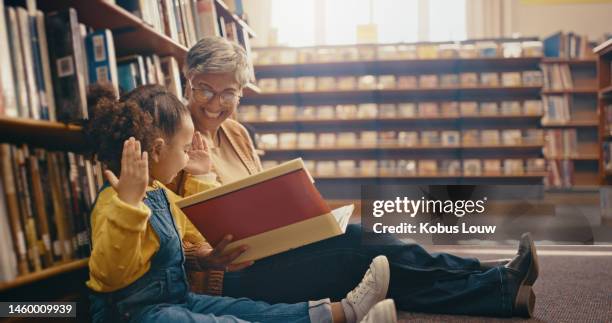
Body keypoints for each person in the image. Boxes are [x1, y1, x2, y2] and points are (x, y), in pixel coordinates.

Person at [172, 36, 541, 318]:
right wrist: (205, 255)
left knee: (365, 262)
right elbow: (165, 236)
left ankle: (499, 289)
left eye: (229, 93)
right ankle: (487, 277)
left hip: (272, 253)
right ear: (187, 82)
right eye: (205, 89)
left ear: (241, 93)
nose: (215, 102)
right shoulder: (173, 140)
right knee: (356, 245)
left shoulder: (237, 133)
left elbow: (253, 198)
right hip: (226, 278)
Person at [84, 84, 398, 323]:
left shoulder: (160, 193)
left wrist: (202, 174)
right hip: (134, 315)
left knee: (252, 311)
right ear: (156, 150)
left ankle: (345, 312)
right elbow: (111, 274)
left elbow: (199, 227)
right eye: (183, 150)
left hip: (177, 300)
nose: (185, 158)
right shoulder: (114, 203)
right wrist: (129, 206)